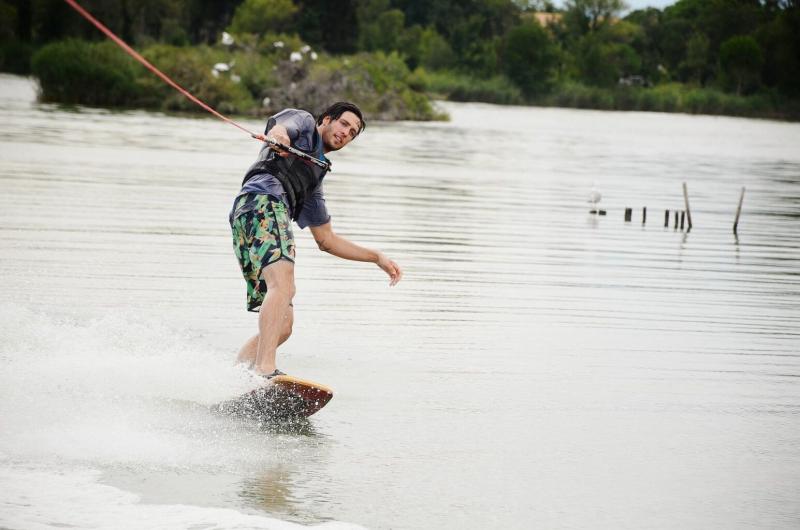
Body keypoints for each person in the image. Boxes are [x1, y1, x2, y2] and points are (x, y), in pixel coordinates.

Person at [230, 102, 402, 378]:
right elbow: (282, 128)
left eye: (353, 132)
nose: (346, 133)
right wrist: (280, 138)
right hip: (262, 202)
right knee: (283, 284)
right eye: (344, 124)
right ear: (326, 120)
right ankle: (265, 370)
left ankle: (236, 378)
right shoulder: (305, 122)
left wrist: (376, 256)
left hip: (248, 217)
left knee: (283, 324)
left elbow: (327, 240)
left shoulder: (314, 176)